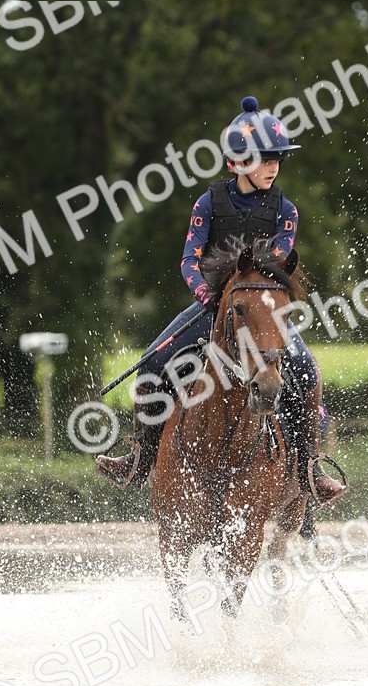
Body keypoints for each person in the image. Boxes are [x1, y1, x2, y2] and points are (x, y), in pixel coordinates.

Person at [95, 95, 346, 503]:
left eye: (276, 160)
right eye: (264, 158)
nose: (272, 167)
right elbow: (189, 259)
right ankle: (140, 458)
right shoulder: (209, 203)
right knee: (153, 361)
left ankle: (308, 466)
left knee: (305, 370)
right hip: (212, 306)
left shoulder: (286, 210)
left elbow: (278, 268)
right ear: (237, 162)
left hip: (262, 313)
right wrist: (205, 295)